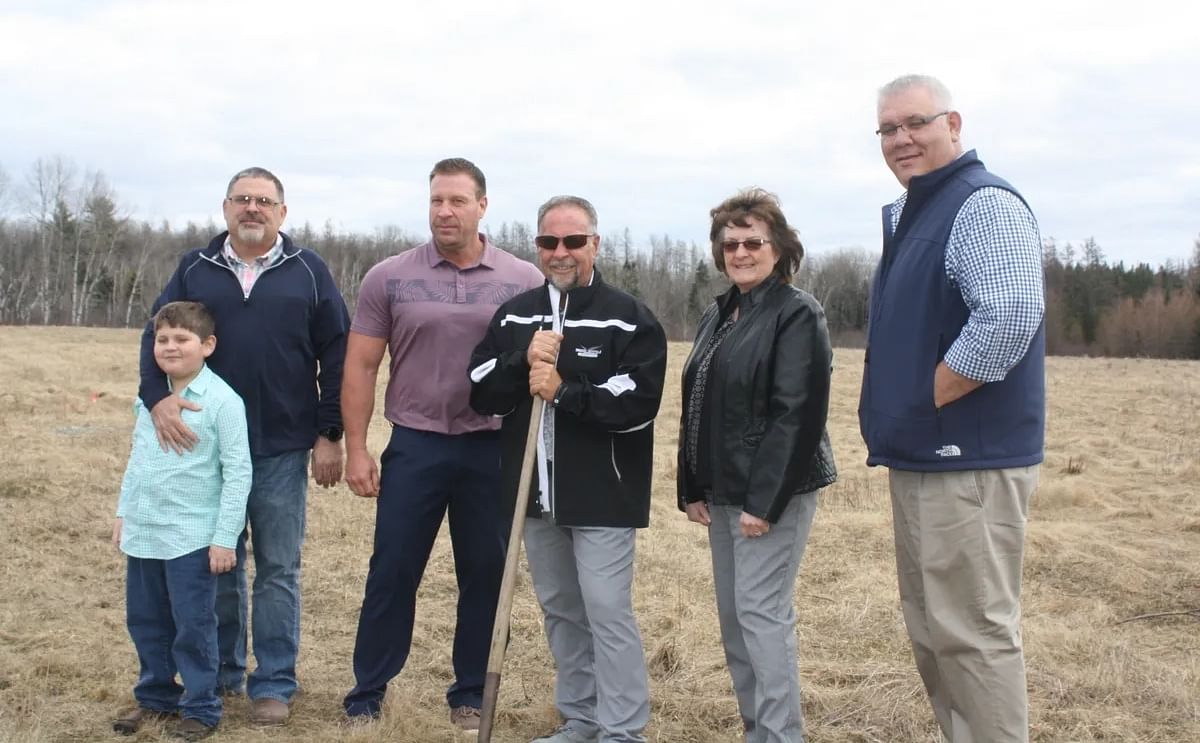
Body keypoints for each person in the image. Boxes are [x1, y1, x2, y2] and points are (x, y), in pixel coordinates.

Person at [859, 74, 1045, 743]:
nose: (901, 139)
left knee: (971, 632)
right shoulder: (917, 212)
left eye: (916, 122)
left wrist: (925, 396)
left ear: (954, 124)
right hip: (926, 454)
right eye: (888, 129)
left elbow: (1008, 317)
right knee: (937, 629)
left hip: (966, 456)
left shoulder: (981, 204)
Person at [138, 167, 349, 726]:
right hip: (205, 448)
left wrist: (329, 434)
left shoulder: (308, 271)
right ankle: (224, 673)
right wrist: (154, 395)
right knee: (220, 564)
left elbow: (338, 350)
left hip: (281, 445)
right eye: (242, 200)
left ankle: (274, 683)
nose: (252, 209)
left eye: (264, 201)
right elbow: (153, 332)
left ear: (283, 211)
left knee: (279, 568)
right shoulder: (195, 268)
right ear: (226, 208)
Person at [340, 158, 544, 729]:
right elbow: (360, 364)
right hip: (416, 445)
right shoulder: (389, 277)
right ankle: (368, 691)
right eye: (436, 201)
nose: (444, 211)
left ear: (482, 205)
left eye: (456, 201)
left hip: (491, 448)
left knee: (485, 569)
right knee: (393, 568)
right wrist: (356, 447)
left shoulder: (523, 280)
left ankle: (471, 693)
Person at [469, 195, 668, 743]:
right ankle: (581, 718)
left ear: (595, 245)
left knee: (606, 610)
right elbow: (481, 390)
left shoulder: (628, 316)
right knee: (560, 609)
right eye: (548, 242)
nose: (560, 253)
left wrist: (564, 390)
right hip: (533, 496)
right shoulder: (515, 314)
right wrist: (521, 360)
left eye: (573, 241)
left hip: (604, 494)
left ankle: (623, 730)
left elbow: (637, 401)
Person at [676, 189, 836, 743]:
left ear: (779, 247)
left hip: (772, 494)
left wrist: (763, 504)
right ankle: (757, 730)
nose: (741, 252)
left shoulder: (797, 313)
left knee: (762, 616)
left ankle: (780, 736)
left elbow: (797, 414)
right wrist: (693, 485)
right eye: (731, 243)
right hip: (722, 492)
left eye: (753, 242)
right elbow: (700, 402)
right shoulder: (719, 312)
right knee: (735, 619)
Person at [114, 301, 252, 741]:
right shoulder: (151, 399)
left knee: (193, 624)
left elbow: (238, 472)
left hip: (192, 536)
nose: (170, 347)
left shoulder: (223, 401)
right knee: (146, 618)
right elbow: (138, 460)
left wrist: (224, 538)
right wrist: (124, 513)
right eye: (162, 339)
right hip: (145, 530)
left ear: (207, 345)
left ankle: (201, 705)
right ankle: (156, 696)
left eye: (182, 339)